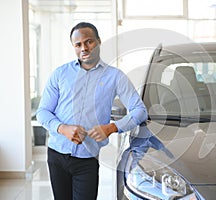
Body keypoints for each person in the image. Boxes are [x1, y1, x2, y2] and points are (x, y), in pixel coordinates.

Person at [36, 22, 148, 200]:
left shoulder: (115, 77)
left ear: (99, 41)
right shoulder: (60, 74)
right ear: (73, 47)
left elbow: (140, 111)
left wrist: (111, 128)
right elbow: (43, 112)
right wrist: (62, 128)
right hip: (56, 154)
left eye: (89, 42)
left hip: (87, 158)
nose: (84, 48)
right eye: (78, 44)